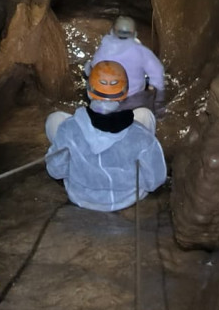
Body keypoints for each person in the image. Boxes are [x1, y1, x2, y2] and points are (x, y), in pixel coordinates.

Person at [45, 60, 167, 212]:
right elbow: (155, 180)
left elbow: (56, 170)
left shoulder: (68, 129)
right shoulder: (140, 134)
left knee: (55, 119)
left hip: (82, 197)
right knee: (145, 114)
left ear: (89, 91)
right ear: (124, 93)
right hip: (127, 198)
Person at [85, 15, 166, 117]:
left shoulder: (104, 47)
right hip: (133, 97)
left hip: (104, 96)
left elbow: (93, 68)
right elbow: (158, 72)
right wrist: (158, 98)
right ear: (135, 34)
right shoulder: (141, 51)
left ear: (112, 31)